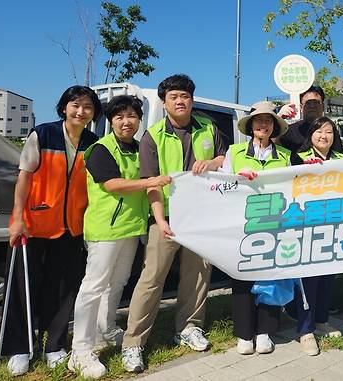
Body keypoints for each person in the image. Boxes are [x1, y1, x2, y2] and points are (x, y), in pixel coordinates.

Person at [120, 75, 226, 373]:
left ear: (192, 99)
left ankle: (189, 327)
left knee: (197, 275)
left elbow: (224, 157)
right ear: (164, 102)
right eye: (174, 97)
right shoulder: (152, 136)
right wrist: (160, 220)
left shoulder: (208, 127)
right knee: (151, 279)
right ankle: (133, 343)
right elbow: (151, 183)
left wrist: (213, 164)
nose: (180, 101)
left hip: (202, 216)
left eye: (185, 96)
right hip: (166, 217)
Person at [68, 95, 171, 378]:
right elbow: (112, 184)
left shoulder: (139, 149)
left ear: (139, 119)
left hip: (131, 227)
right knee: (94, 286)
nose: (126, 122)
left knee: (118, 283)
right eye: (119, 117)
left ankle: (106, 328)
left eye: (132, 116)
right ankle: (80, 350)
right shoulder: (101, 149)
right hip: (106, 229)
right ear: (110, 121)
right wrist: (150, 181)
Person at [3, 85, 101, 376]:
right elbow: (24, 177)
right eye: (75, 105)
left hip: (72, 227)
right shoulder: (43, 134)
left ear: (94, 113)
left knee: (64, 288)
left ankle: (54, 345)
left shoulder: (93, 142)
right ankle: (20, 347)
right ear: (64, 108)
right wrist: (18, 217)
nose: (81, 111)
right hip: (34, 223)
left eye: (87, 107)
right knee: (22, 287)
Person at [220, 101, 292, 355]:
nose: (263, 125)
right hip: (242, 225)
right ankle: (244, 334)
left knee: (271, 279)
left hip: (274, 224)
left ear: (274, 127)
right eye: (259, 120)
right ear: (250, 126)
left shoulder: (284, 156)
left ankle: (265, 332)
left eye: (269, 121)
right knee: (242, 277)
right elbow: (222, 185)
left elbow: (293, 186)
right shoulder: (235, 151)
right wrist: (238, 178)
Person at [290, 116, 343, 356]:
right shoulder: (298, 158)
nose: (324, 136)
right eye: (319, 131)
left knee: (327, 278)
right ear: (310, 135)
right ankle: (305, 330)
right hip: (307, 228)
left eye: (329, 132)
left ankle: (321, 321)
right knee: (308, 281)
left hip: (335, 226)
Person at [278, 85, 343, 153]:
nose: (312, 106)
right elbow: (274, 150)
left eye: (316, 102)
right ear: (301, 107)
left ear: (323, 106)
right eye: (308, 103)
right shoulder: (290, 131)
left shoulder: (331, 131)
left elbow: (338, 157)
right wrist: (278, 118)